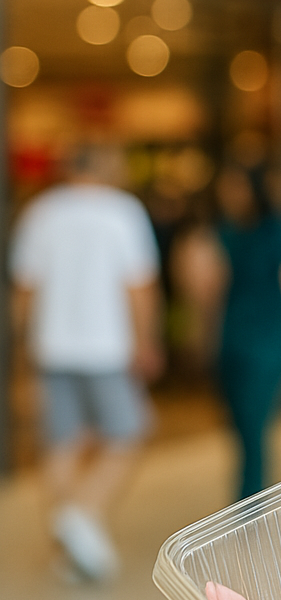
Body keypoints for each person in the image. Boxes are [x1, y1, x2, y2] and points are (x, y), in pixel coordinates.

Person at [11, 143, 163, 582]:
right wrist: (146, 341)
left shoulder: (40, 213)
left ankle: (72, 548)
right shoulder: (123, 211)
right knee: (131, 431)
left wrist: (22, 349)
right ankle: (81, 514)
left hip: (52, 346)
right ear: (107, 166)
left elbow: (24, 291)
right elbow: (139, 286)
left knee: (60, 444)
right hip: (106, 348)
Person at [178, 164, 281, 500]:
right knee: (242, 427)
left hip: (268, 343)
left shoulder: (277, 232)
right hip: (232, 341)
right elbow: (206, 293)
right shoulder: (221, 233)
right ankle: (249, 498)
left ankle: (250, 501)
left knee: (255, 424)